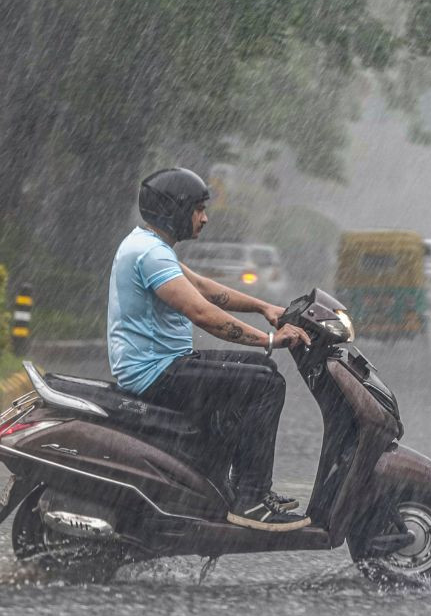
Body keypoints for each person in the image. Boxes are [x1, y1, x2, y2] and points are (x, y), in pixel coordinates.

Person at [107, 167, 312, 532]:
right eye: (198, 208)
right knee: (265, 385)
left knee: (261, 372)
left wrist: (265, 308)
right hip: (156, 373)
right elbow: (202, 312)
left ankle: (231, 488)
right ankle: (251, 499)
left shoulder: (150, 246)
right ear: (175, 209)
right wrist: (268, 340)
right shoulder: (149, 255)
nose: (205, 218)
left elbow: (203, 288)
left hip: (164, 365)